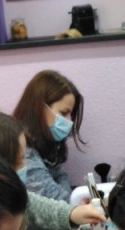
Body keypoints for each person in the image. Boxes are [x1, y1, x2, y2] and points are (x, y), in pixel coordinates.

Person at [12, 70, 84, 200]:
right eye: (63, 113)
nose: (70, 121)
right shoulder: (22, 149)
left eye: (71, 114)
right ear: (40, 108)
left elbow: (61, 175)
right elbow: (56, 201)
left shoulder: (47, 142)